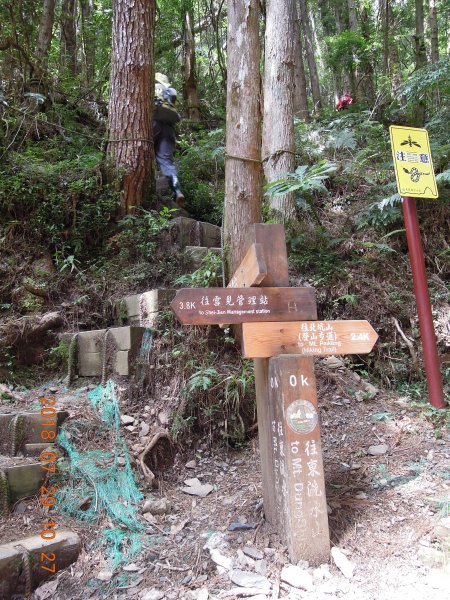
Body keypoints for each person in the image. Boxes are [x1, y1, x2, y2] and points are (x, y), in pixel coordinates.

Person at [153, 73, 185, 206]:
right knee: (167, 161)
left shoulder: (153, 87)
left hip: (153, 123)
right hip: (169, 128)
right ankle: (177, 191)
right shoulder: (170, 91)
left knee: (145, 149)